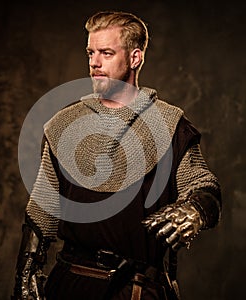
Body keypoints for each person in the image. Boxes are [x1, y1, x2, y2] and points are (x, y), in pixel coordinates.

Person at [12, 11, 221, 300]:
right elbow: (42, 208)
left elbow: (203, 185)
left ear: (135, 58)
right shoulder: (66, 124)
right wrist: (26, 271)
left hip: (136, 289)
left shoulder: (170, 126)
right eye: (91, 52)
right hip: (70, 285)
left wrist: (196, 209)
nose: (94, 63)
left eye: (106, 53)